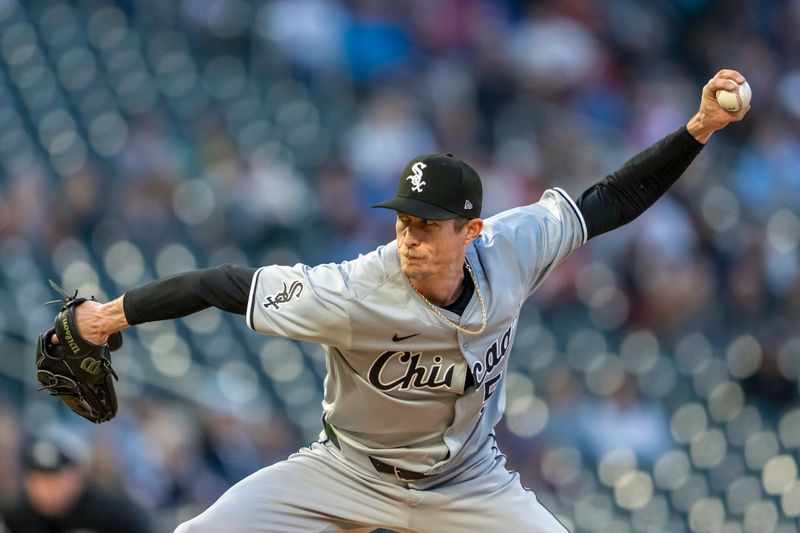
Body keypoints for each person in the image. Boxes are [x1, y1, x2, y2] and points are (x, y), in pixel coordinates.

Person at [51, 70, 748, 532]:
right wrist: (104, 317)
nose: (408, 236)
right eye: (403, 219)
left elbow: (610, 200)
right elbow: (223, 285)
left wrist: (697, 130)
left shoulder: (515, 244)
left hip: (470, 482)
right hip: (345, 471)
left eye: (426, 224)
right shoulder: (355, 290)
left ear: (470, 229)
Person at [1, 435, 151, 533]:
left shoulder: (113, 514)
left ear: (78, 477)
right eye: (39, 479)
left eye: (55, 479)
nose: (46, 489)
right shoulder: (16, 517)